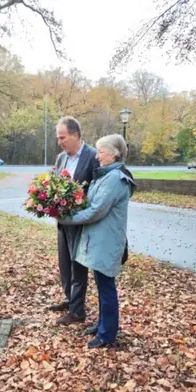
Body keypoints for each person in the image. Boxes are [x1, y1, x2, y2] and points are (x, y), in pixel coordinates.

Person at [57, 134, 136, 348]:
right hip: (99, 241)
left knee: (107, 287)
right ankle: (102, 324)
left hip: (107, 242)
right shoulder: (105, 175)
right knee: (102, 286)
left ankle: (107, 334)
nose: (98, 156)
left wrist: (67, 218)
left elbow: (95, 211)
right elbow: (88, 202)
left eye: (101, 152)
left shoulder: (115, 179)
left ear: (113, 154)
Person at [49, 116, 100, 326]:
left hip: (80, 222)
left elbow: (97, 190)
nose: (60, 141)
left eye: (63, 137)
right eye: (58, 138)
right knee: (64, 263)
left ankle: (77, 311)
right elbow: (56, 183)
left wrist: (80, 205)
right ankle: (70, 300)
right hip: (63, 222)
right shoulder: (62, 158)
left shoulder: (92, 157)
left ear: (75, 135)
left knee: (77, 264)